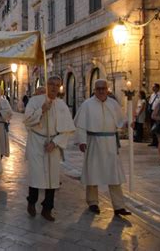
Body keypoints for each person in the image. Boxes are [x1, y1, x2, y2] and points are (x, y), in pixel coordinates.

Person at [74, 79, 132, 217]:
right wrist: (82, 141)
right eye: (98, 88)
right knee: (92, 173)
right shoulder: (87, 105)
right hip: (93, 142)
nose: (101, 91)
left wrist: (128, 123)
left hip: (110, 143)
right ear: (94, 90)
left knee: (114, 175)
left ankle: (119, 206)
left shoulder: (113, 104)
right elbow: (80, 126)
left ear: (107, 89)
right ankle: (92, 202)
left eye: (103, 88)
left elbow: (121, 120)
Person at [24, 76, 75, 221]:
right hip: (36, 140)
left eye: (57, 85)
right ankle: (31, 202)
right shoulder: (35, 101)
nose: (54, 87)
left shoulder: (62, 105)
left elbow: (67, 130)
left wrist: (55, 142)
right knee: (36, 174)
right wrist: (41, 110)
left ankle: (47, 208)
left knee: (52, 177)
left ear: (60, 87)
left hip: (53, 143)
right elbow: (27, 121)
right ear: (46, 85)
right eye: (51, 84)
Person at [0, 85, 12, 158]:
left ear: (1, 91)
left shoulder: (4, 101)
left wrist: (0, 112)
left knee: (0, 146)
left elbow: (9, 112)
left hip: (0, 126)